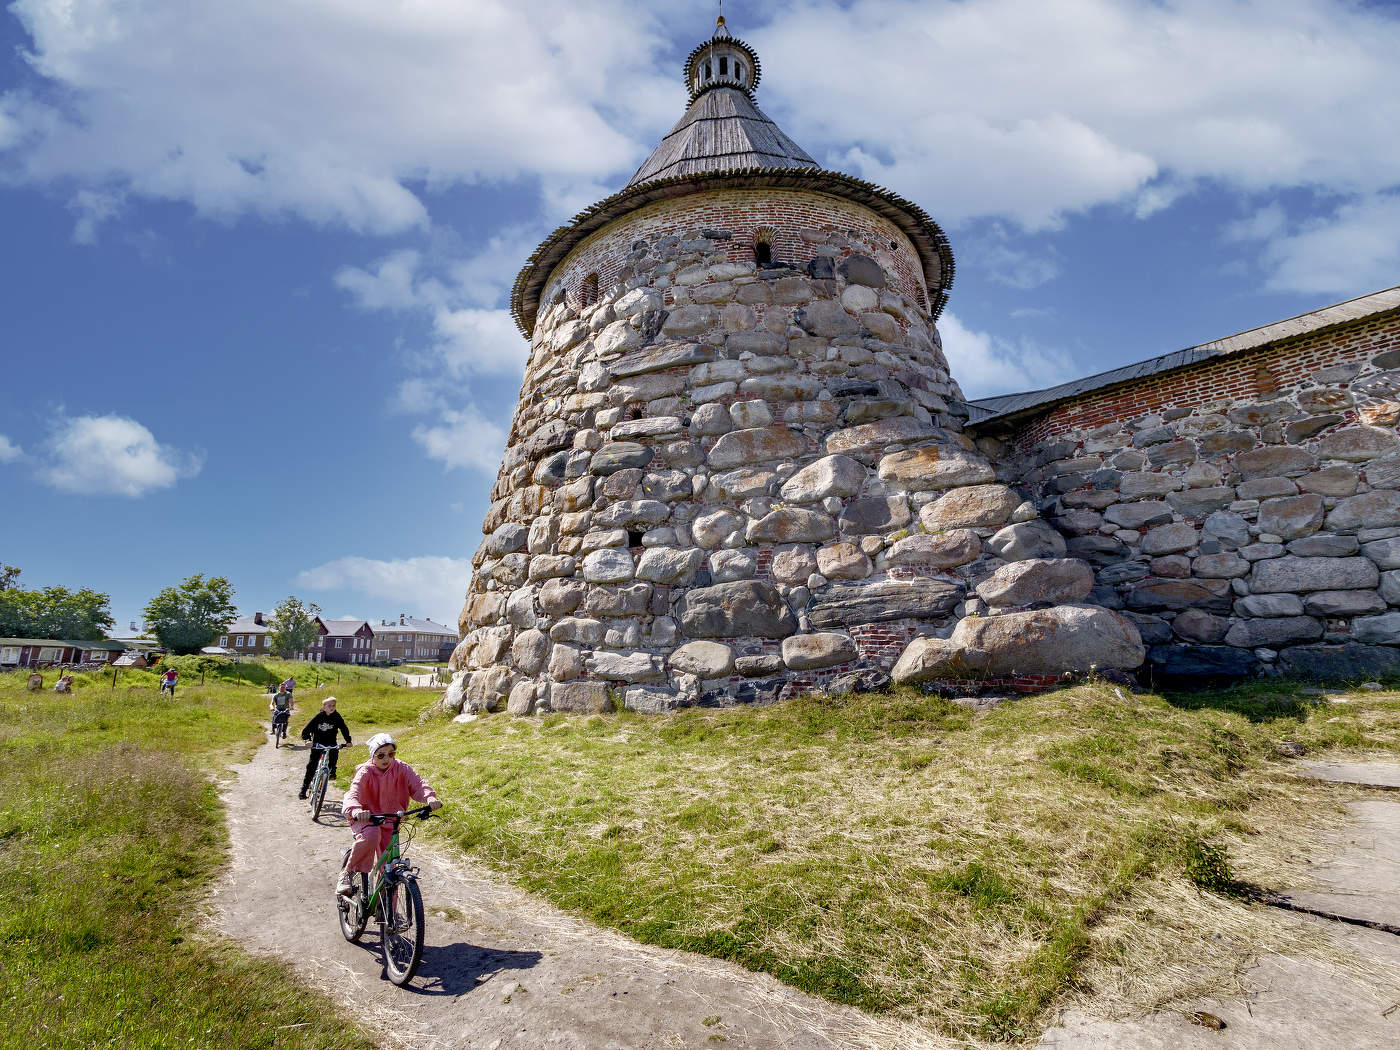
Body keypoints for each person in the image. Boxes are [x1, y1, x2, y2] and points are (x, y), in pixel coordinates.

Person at [338, 733, 440, 896]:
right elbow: (353, 793)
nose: (386, 758)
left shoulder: (401, 768)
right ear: (373, 756)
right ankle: (348, 873)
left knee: (391, 868)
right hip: (367, 819)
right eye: (381, 755)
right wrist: (356, 810)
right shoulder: (366, 771)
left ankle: (386, 911)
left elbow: (418, 784)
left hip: (391, 820)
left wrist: (430, 797)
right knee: (372, 834)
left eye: (391, 754)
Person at [298, 695, 351, 799]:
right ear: (323, 707)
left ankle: (331, 772)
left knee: (334, 752)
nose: (332, 707)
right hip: (318, 743)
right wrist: (308, 740)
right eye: (329, 705)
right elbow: (306, 730)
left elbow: (344, 728)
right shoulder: (319, 716)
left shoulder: (337, 716)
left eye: (334, 706)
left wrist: (348, 741)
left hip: (331, 742)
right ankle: (303, 791)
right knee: (312, 766)